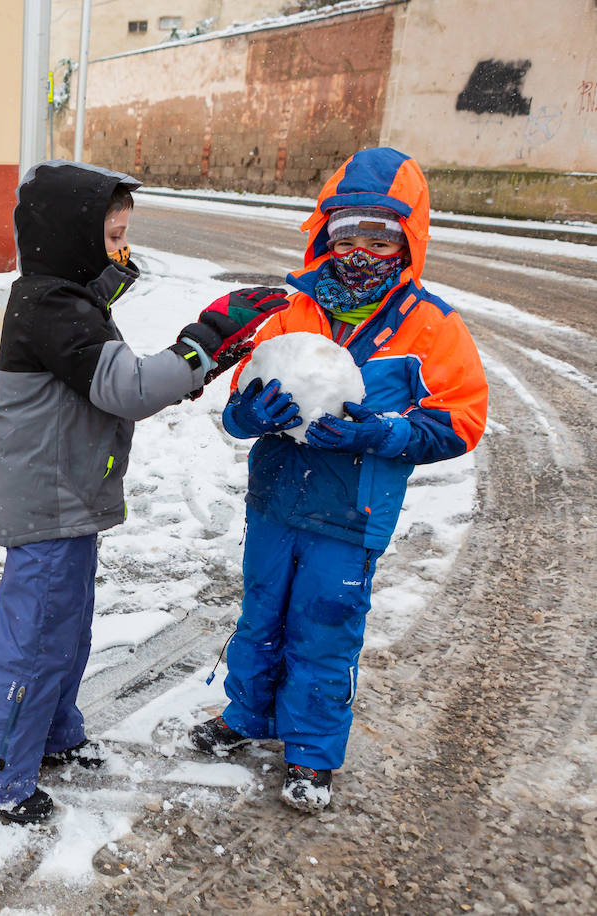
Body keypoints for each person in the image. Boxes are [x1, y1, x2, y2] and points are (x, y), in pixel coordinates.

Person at [0, 160, 290, 823]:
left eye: (123, 236)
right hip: (48, 500)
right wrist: (207, 338)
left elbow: (124, 378)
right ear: (70, 237)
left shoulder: (69, 299)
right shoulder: (53, 306)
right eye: (111, 238)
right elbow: (129, 389)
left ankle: (51, 735)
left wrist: (207, 358)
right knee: (32, 639)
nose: (122, 250)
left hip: (68, 494)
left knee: (66, 631)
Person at [189, 147, 489, 812]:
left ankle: (312, 754)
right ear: (326, 233)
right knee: (260, 618)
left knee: (324, 630)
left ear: (407, 239)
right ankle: (246, 717)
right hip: (275, 503)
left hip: (350, 515)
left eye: (380, 235)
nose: (360, 250)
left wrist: (384, 433)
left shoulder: (431, 326)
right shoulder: (295, 309)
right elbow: (239, 404)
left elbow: (462, 420)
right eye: (346, 233)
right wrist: (248, 412)